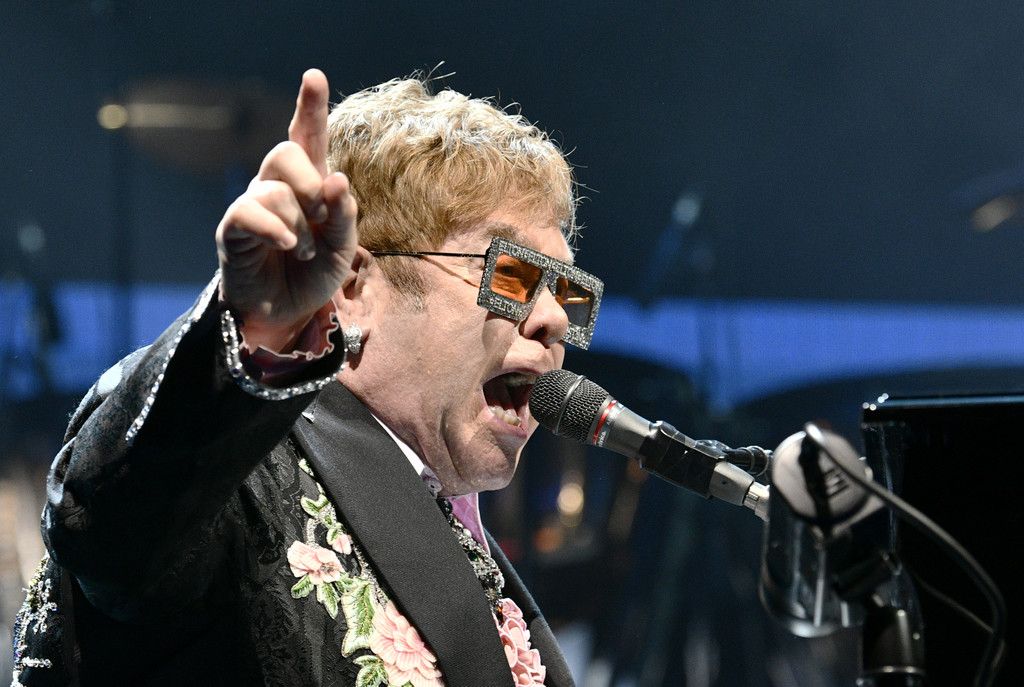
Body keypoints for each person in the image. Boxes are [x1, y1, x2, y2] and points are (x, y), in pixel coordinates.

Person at [11, 68, 603, 686]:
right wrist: (247, 332)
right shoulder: (234, 466)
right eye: (511, 274)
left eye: (569, 291)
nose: (555, 318)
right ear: (353, 288)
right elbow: (111, 533)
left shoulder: (459, 531)